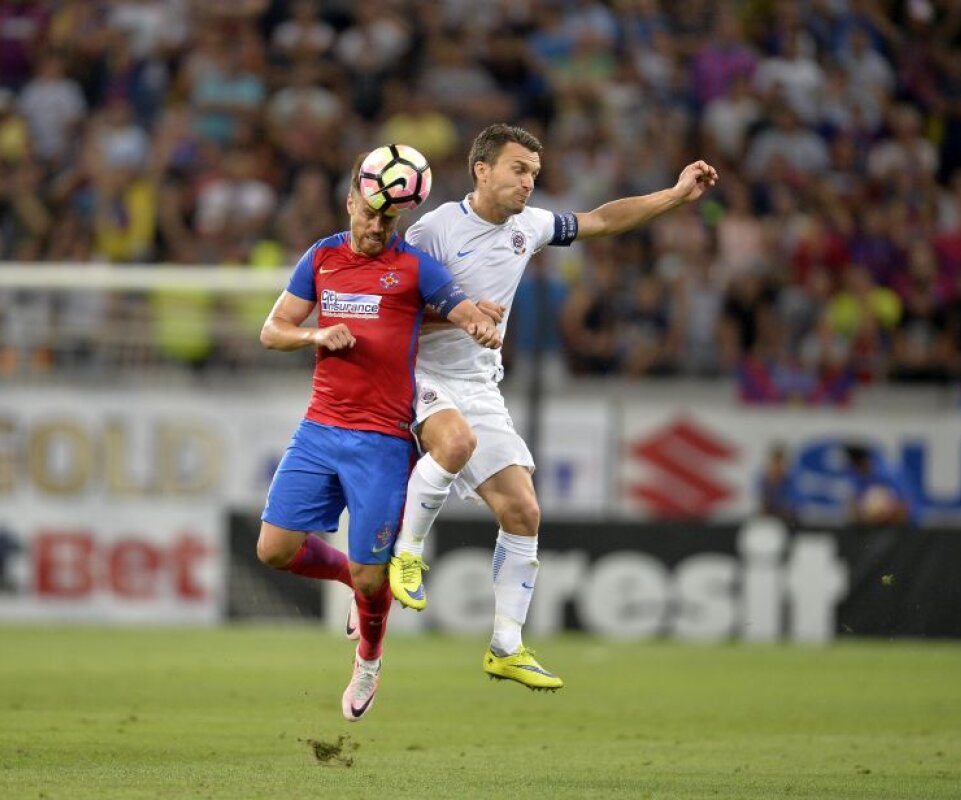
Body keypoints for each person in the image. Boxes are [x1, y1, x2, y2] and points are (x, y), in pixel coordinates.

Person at [388, 124, 718, 690]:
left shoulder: (531, 227)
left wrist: (674, 194)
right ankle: (408, 552)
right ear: (482, 169)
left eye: (535, 175)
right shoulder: (435, 230)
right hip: (424, 373)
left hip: (479, 383)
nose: (528, 184)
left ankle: (506, 646)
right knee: (454, 442)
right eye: (518, 170)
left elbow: (605, 220)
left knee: (524, 512)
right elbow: (394, 311)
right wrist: (463, 313)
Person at [255, 149, 502, 722]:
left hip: (383, 441)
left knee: (374, 581)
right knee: (273, 550)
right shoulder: (320, 257)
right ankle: (350, 577)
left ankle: (369, 658)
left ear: (400, 220)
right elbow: (272, 331)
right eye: (368, 213)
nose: (374, 226)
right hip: (319, 428)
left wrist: (478, 322)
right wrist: (316, 337)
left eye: (387, 220)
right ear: (351, 201)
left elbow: (456, 308)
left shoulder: (414, 268)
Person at [841, 443, 919, 527]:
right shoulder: (858, 477)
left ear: (863, 462)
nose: (854, 470)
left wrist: (886, 516)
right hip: (872, 528)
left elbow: (906, 504)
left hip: (905, 527)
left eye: (855, 465)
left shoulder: (890, 473)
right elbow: (854, 505)